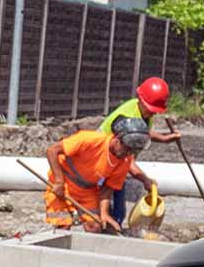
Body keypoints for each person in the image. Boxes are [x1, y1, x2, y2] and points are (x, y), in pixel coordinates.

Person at [43, 117, 156, 233]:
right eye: (127, 149)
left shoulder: (125, 160)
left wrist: (104, 214)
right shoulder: (90, 140)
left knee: (95, 226)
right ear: (117, 139)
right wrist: (59, 181)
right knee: (63, 226)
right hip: (64, 182)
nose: (128, 154)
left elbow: (107, 188)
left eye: (132, 151)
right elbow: (52, 151)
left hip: (87, 190)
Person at [97, 77, 182, 228]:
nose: (152, 114)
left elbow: (143, 132)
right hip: (102, 161)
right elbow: (129, 162)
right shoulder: (130, 116)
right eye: (150, 109)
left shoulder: (143, 112)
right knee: (103, 205)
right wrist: (145, 180)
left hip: (119, 162)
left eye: (155, 111)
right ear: (141, 100)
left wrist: (164, 138)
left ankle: (113, 227)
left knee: (118, 208)